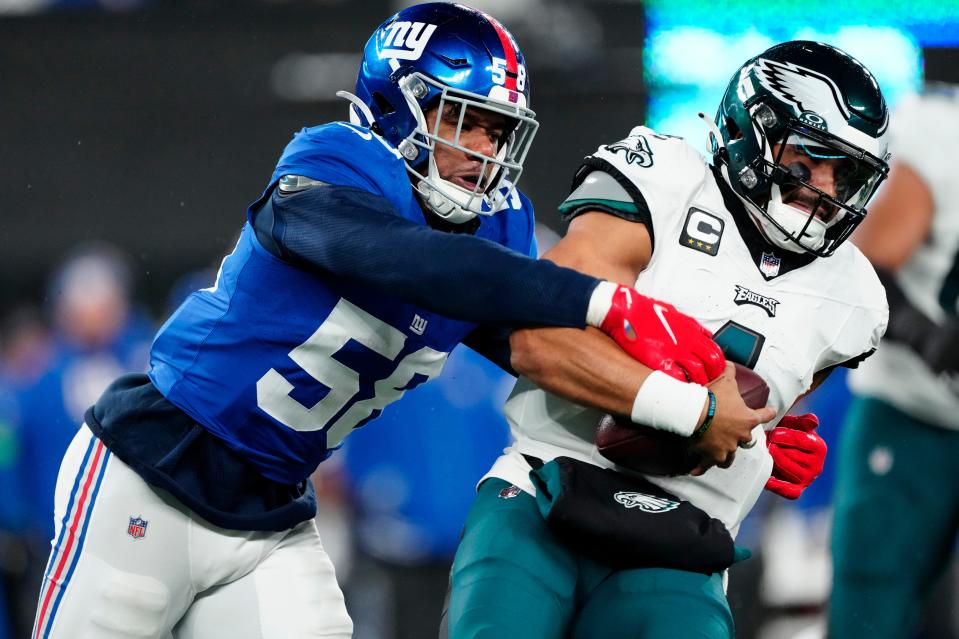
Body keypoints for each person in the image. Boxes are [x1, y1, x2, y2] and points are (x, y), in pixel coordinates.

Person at [30, 4, 739, 638]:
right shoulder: (335, 160)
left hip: (270, 512)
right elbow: (399, 256)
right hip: (154, 469)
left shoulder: (494, 228)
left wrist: (699, 401)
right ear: (399, 107)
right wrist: (605, 299)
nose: (483, 152)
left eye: (497, 132)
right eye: (463, 122)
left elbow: (538, 347)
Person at [445, 40, 891, 639]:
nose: (823, 191)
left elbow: (753, 403)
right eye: (808, 160)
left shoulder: (855, 298)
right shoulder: (665, 178)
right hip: (547, 485)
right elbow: (540, 337)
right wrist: (691, 410)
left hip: (687, 532)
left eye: (847, 175)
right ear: (750, 133)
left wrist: (759, 431)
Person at [829, 87, 959, 639]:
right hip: (914, 419)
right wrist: (937, 343)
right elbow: (866, 271)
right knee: (872, 611)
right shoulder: (942, 135)